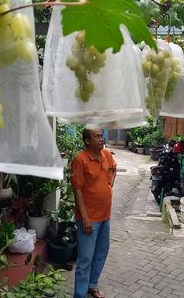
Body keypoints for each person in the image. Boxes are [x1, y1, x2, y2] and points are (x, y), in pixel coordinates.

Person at [70, 126, 117, 298]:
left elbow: (114, 168)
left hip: (105, 216)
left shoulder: (106, 155)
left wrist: (109, 185)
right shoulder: (80, 159)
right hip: (89, 219)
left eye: (101, 135)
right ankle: (80, 294)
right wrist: (85, 218)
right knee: (85, 260)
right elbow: (77, 190)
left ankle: (92, 285)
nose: (101, 138)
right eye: (97, 136)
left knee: (101, 253)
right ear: (87, 141)